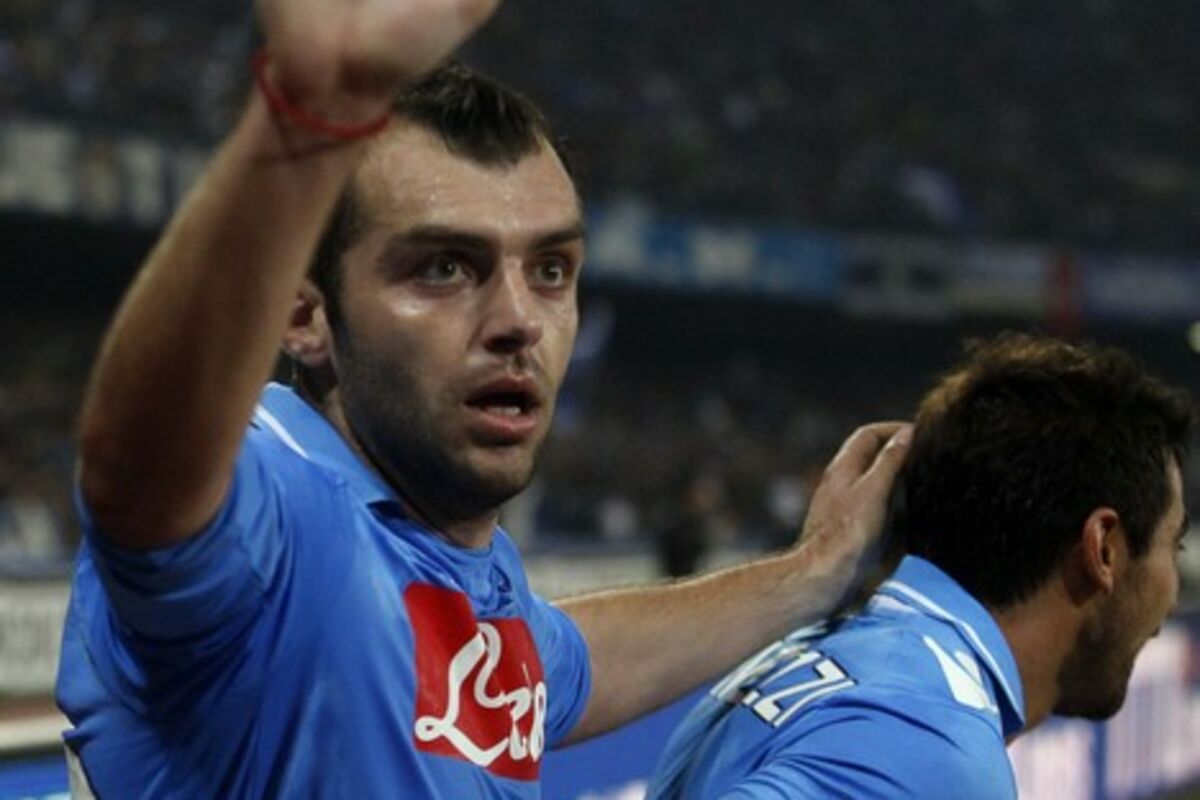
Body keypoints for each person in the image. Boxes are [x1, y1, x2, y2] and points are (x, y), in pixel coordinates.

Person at [54, 2, 911, 796]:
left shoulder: (450, 558)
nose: (518, 321)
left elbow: (567, 663)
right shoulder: (276, 512)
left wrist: (811, 572)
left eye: (551, 270)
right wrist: (299, 127)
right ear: (304, 316)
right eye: (444, 268)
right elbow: (138, 469)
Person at [647, 332, 1195, 799]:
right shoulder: (926, 742)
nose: (1172, 593)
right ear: (1104, 550)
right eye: (1173, 546)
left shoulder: (798, 658)